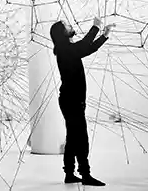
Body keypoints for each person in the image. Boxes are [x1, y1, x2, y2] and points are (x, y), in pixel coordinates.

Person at [50, 18, 115, 186]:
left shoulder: (67, 49)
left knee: (73, 137)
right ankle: (85, 175)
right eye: (67, 26)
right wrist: (95, 27)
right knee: (80, 137)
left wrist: (104, 35)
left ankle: (69, 173)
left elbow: (88, 48)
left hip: (72, 100)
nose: (71, 26)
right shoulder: (65, 49)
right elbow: (85, 44)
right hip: (71, 101)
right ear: (62, 33)